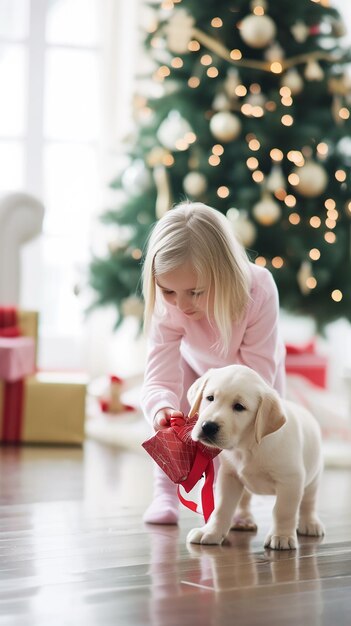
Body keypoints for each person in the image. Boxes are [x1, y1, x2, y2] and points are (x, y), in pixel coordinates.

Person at [141, 201, 286, 524]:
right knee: (175, 413)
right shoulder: (169, 307)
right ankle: (164, 494)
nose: (182, 304)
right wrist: (161, 408)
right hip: (195, 365)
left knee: (240, 430)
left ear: (224, 275)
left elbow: (257, 376)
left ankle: (233, 502)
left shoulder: (259, 289)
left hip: (256, 376)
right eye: (168, 291)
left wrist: (226, 409)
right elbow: (158, 376)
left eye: (196, 291)